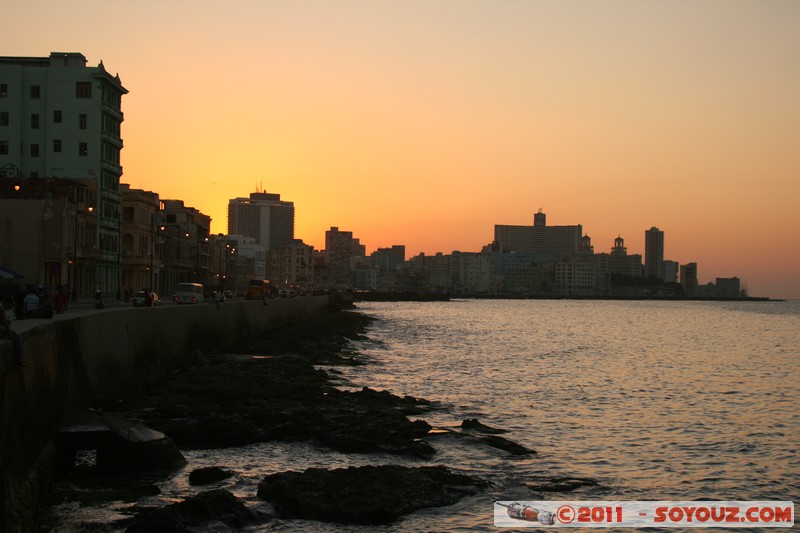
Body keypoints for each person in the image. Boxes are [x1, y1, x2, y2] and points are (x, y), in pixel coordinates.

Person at [0, 296, 24, 366]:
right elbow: (3, 321)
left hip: (3, 329)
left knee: (17, 337)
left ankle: (18, 358)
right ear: (6, 304)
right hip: (1, 328)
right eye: (11, 304)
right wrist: (8, 332)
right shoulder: (1, 308)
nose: (12, 306)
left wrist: (8, 331)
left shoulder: (10, 311)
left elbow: (8, 323)